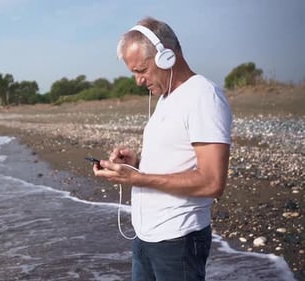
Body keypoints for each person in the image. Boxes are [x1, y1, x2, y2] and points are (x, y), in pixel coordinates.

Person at [93, 17, 233, 281]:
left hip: (177, 239)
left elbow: (213, 182)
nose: (137, 80)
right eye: (133, 72)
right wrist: (137, 163)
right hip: (147, 236)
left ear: (167, 56)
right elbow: (177, 160)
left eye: (141, 70)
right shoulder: (166, 98)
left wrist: (137, 178)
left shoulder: (203, 96)